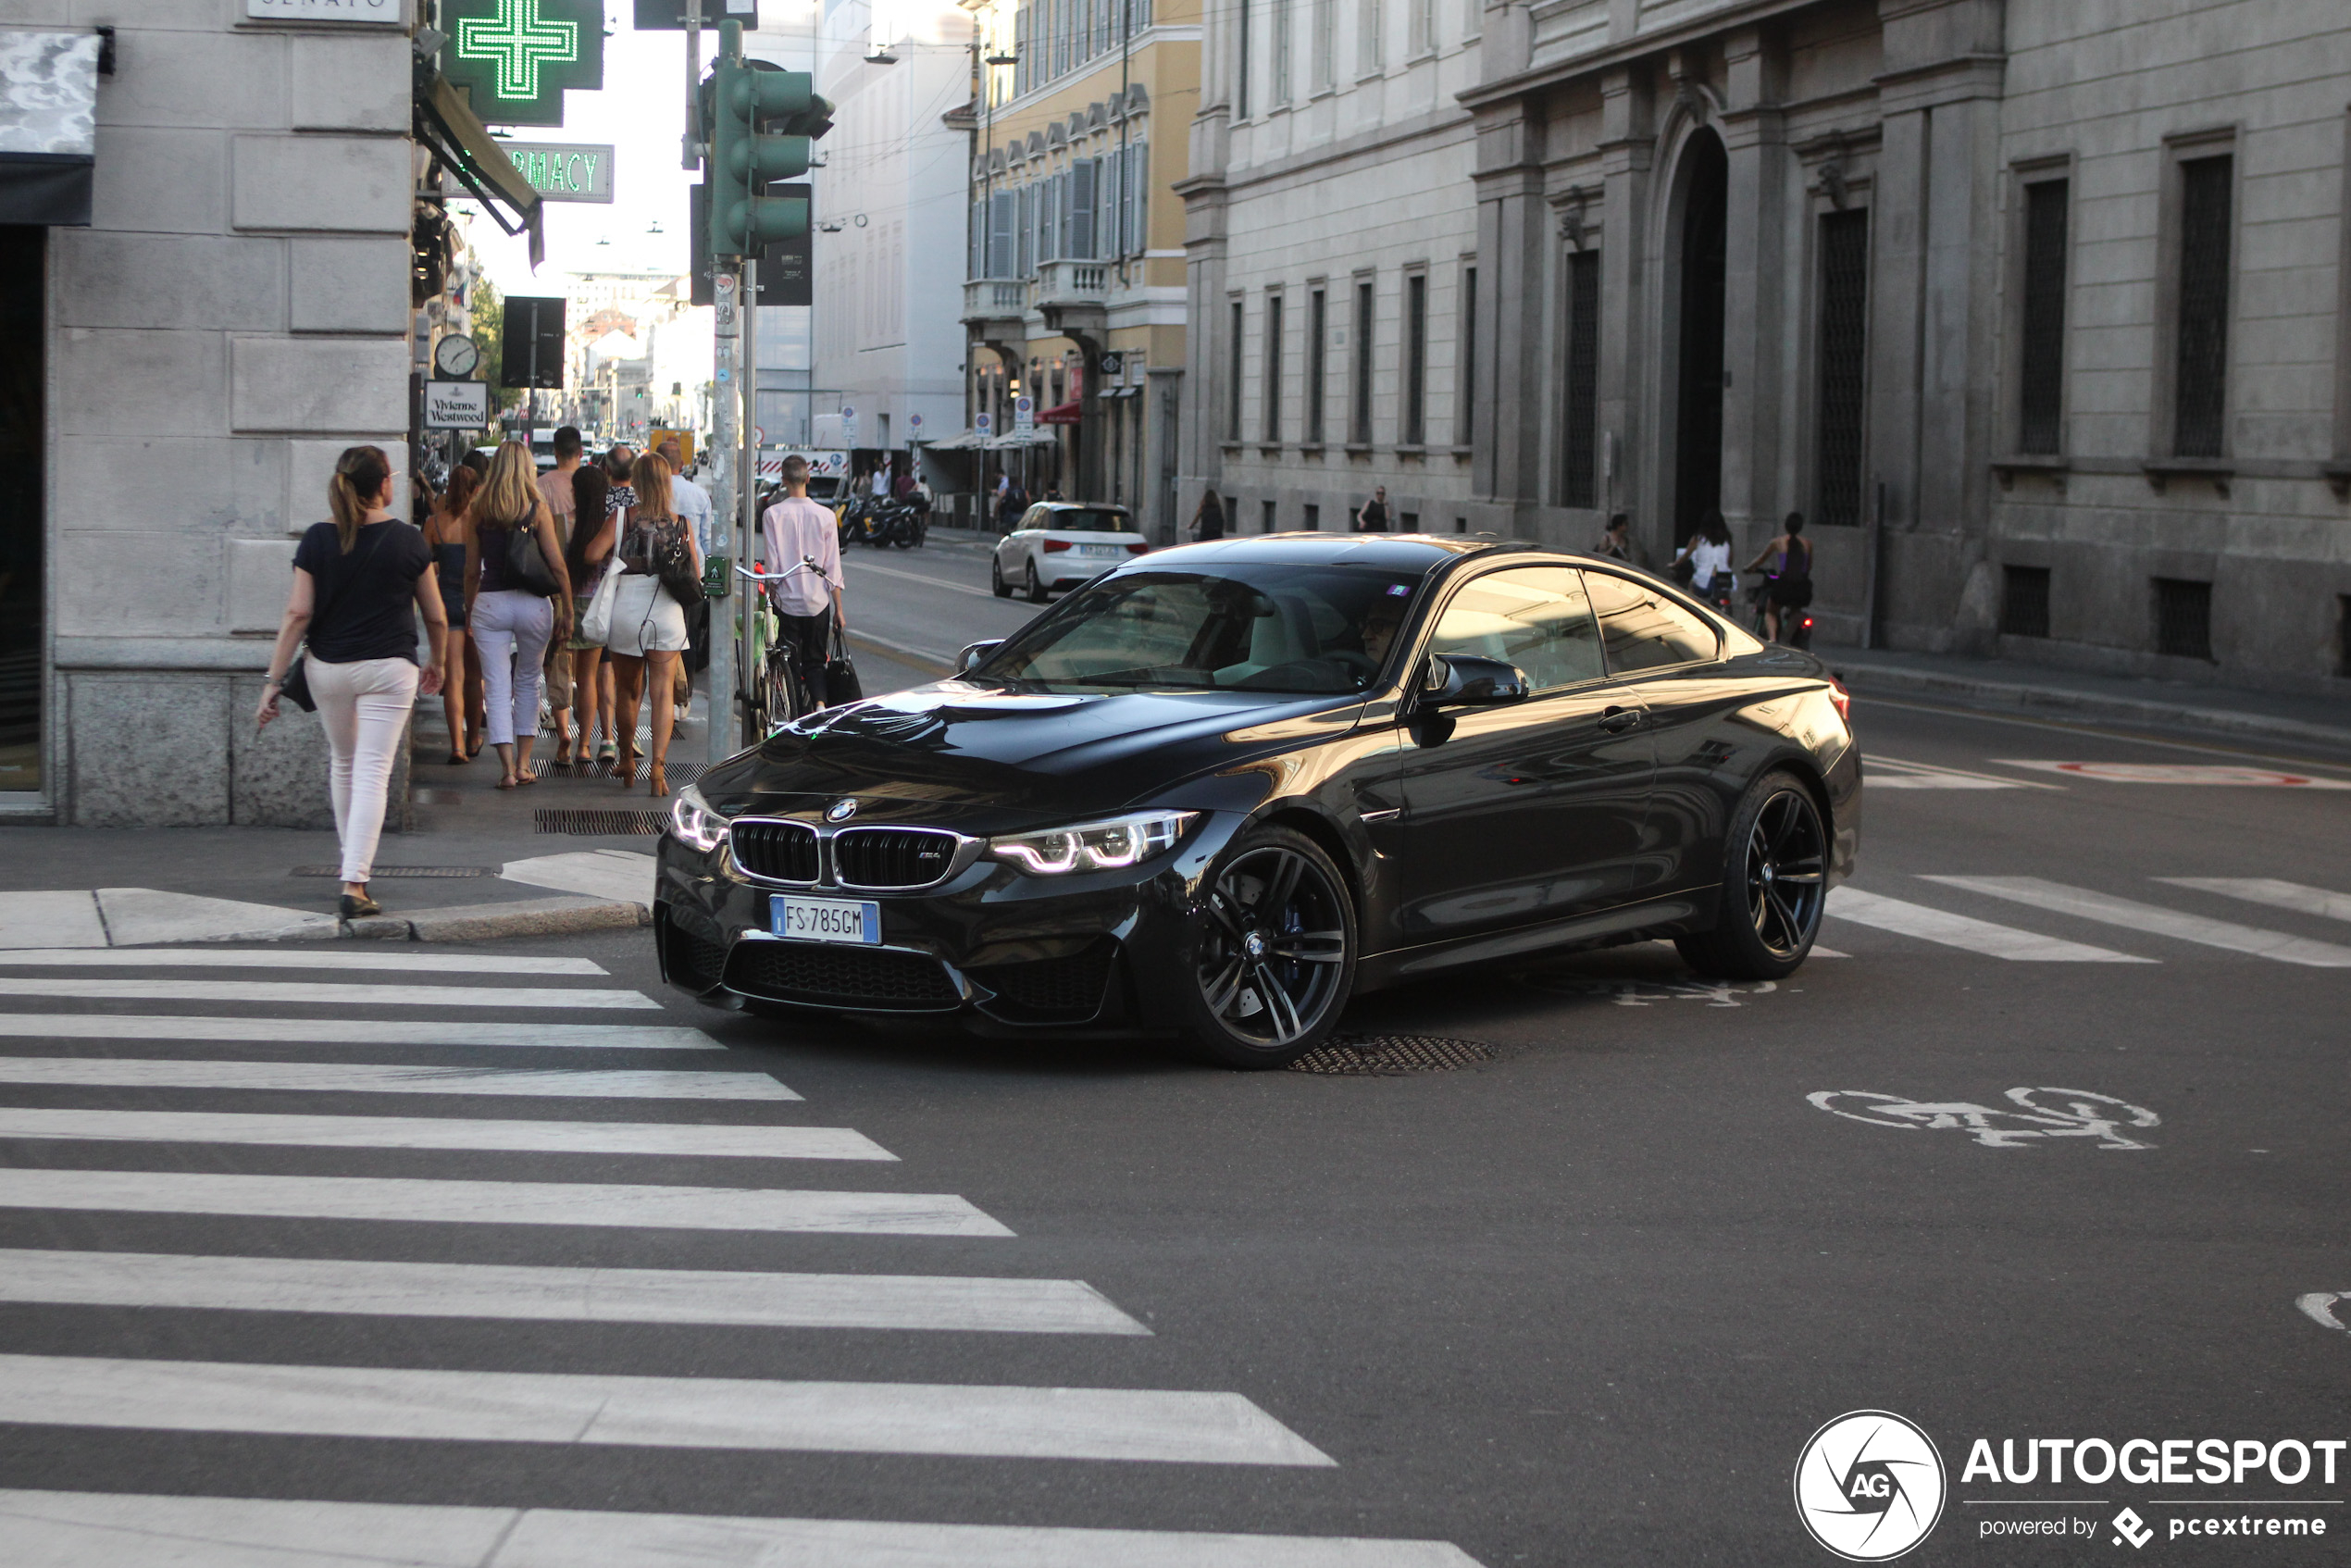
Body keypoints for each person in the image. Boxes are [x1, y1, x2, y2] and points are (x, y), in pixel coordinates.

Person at [255, 446, 446, 921]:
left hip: (329, 669)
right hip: (389, 669)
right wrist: (438, 662)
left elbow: (298, 613)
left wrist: (272, 681)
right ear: (383, 484)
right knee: (372, 772)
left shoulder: (318, 540)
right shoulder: (409, 541)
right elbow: (437, 615)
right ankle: (354, 883)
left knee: (344, 763)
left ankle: (352, 867)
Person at [465, 442, 572, 790]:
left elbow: (470, 571)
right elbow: (556, 564)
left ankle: (507, 769)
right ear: (527, 469)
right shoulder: (537, 508)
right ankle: (526, 765)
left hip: (491, 603)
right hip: (533, 605)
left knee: (495, 686)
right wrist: (567, 608)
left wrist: (470, 610)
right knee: (527, 681)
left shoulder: (479, 509)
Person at [603, 452, 701, 796]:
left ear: (639, 482)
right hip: (668, 612)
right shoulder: (682, 523)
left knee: (628, 692)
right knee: (662, 694)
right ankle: (657, 770)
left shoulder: (623, 517)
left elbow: (591, 553)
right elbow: (696, 575)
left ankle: (628, 758)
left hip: (628, 609)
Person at [760, 453, 847, 710]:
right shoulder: (826, 515)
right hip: (818, 602)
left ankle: (794, 711)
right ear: (808, 478)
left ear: (784, 480)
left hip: (786, 602)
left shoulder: (772, 514)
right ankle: (820, 705)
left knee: (788, 660)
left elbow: (772, 567)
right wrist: (839, 610)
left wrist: (769, 596)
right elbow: (833, 568)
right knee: (816, 661)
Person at [421, 464, 485, 765]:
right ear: (475, 490)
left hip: (446, 603)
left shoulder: (434, 524)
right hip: (477, 603)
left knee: (454, 677)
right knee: (475, 677)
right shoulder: (481, 522)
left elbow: (421, 566)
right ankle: (474, 737)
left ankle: (457, 746)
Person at [559, 464, 616, 769]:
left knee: (560, 675)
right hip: (598, 609)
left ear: (575, 492)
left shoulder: (565, 525)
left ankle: (564, 740)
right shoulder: (607, 528)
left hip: (567, 606)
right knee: (589, 678)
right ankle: (584, 745)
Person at [537, 428, 584, 762]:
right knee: (591, 665)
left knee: (557, 660)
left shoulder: (541, 486)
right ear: (580, 451)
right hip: (587, 583)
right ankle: (590, 738)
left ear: (555, 452)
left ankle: (564, 731)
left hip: (552, 581)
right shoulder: (590, 484)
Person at [656, 437, 712, 718]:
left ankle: (665, 692)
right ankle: (684, 698)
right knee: (688, 637)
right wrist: (710, 583)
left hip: (661, 577)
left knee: (663, 640)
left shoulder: (652, 494)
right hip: (692, 576)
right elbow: (708, 541)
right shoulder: (699, 494)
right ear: (682, 464)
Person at [1744, 510, 1814, 641]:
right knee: (1796, 610)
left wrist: (1748, 568)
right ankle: (1787, 636)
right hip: (1802, 586)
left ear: (1785, 526)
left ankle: (1773, 639)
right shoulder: (1808, 544)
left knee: (1770, 611)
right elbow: (1809, 566)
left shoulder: (1778, 542)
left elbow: (1760, 560)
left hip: (1785, 584)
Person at [1673, 512, 1735, 604]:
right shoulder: (1727, 539)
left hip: (1704, 580)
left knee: (1691, 589)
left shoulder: (1699, 538)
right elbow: (1730, 560)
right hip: (1724, 580)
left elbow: (1686, 555)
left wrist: (1675, 564)